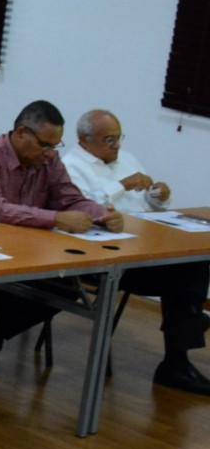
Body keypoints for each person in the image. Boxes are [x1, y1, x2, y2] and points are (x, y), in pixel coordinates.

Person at [0, 101, 125, 359]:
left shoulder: (48, 161)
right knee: (33, 281)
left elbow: (70, 198)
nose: (51, 153)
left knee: (70, 284)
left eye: (55, 146)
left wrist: (101, 214)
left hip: (23, 245)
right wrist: (56, 218)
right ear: (21, 134)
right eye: (45, 145)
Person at [63, 109, 210, 394]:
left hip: (143, 245)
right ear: (84, 139)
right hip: (105, 255)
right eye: (109, 140)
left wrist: (157, 197)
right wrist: (122, 185)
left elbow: (146, 206)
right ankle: (186, 335)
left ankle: (178, 358)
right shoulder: (71, 166)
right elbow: (83, 207)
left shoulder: (126, 159)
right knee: (184, 276)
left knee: (194, 263)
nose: (117, 146)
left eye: (119, 138)